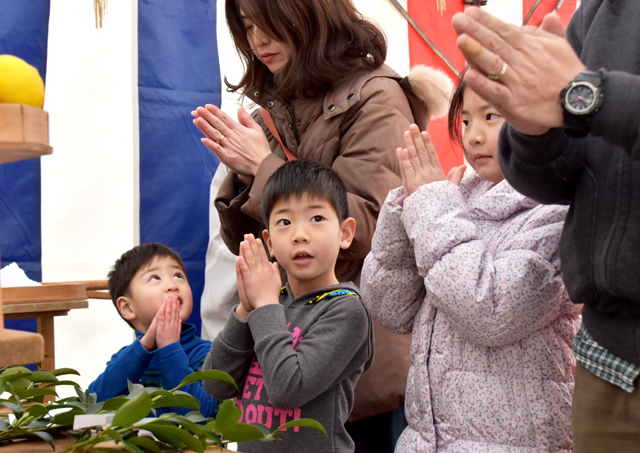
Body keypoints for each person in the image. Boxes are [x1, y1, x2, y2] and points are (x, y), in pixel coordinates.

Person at [191, 0, 452, 449]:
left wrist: (264, 167)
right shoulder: (269, 108)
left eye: (268, 23)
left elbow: (370, 223)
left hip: (359, 368)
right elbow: (251, 244)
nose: (257, 40)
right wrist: (243, 177)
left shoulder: (376, 95)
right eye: (247, 27)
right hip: (277, 354)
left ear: (311, 13)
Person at [452, 3, 640, 451]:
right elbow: (557, 178)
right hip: (606, 363)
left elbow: (589, 98)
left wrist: (592, 96)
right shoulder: (598, 10)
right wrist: (534, 131)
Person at [361, 78, 581, 451]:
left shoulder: (557, 210)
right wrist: (407, 208)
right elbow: (391, 310)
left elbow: (490, 311)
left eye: (491, 116)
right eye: (466, 121)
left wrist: (434, 209)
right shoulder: (454, 200)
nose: (473, 136)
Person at [202, 160, 373, 452]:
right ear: (268, 241)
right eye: (284, 222)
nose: (299, 234)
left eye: (316, 218)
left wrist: (265, 306)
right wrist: (244, 311)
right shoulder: (268, 301)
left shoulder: (347, 310)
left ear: (344, 233)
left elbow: (287, 389)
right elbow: (216, 385)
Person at [88, 242, 217, 418]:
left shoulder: (205, 353)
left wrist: (169, 349)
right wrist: (145, 345)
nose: (172, 285)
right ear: (127, 307)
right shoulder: (126, 358)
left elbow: (203, 417)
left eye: (178, 275)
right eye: (155, 278)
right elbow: (92, 405)